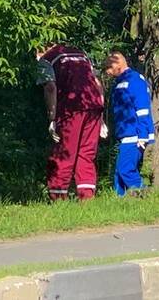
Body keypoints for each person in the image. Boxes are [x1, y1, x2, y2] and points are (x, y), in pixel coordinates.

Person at [37, 43, 106, 200]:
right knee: (86, 154)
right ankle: (87, 198)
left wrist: (52, 117)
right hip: (94, 106)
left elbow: (50, 88)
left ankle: (58, 197)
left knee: (65, 152)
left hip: (70, 108)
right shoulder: (81, 54)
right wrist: (101, 116)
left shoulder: (47, 59)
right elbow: (97, 83)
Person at [106, 51, 154, 196]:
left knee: (125, 169)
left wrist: (143, 134)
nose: (107, 72)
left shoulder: (134, 80)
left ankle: (143, 193)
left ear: (118, 65)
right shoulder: (120, 82)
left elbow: (142, 108)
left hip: (135, 134)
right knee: (119, 172)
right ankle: (119, 199)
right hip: (126, 133)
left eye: (108, 67)